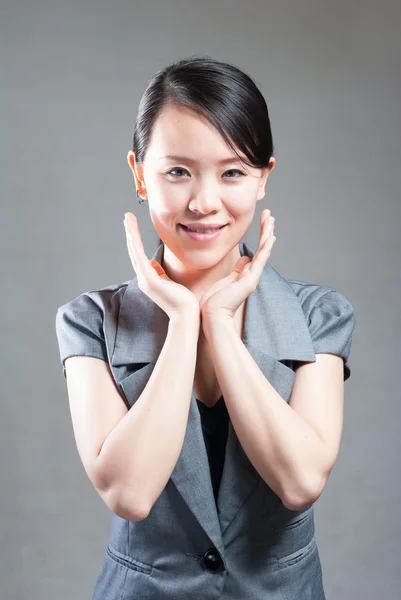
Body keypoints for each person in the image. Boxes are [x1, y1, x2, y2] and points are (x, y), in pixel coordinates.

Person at [55, 55, 356, 600]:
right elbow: (130, 491)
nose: (204, 202)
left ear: (264, 177)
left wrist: (218, 322)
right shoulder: (89, 322)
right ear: (139, 176)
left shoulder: (318, 315)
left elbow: (300, 480)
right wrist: (181, 321)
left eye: (233, 172)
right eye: (177, 171)